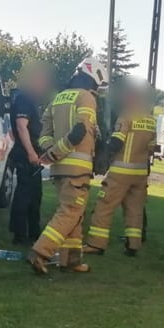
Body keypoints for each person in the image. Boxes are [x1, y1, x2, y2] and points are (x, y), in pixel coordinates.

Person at [28, 57, 107, 275]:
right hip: (77, 167)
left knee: (76, 213)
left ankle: (71, 260)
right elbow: (80, 131)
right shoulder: (86, 97)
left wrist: (53, 152)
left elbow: (43, 136)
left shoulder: (58, 98)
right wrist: (60, 150)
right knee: (70, 212)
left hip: (60, 168)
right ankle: (40, 252)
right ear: (94, 79)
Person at [84, 78, 155, 257]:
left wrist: (104, 153)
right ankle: (133, 245)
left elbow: (117, 141)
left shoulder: (126, 116)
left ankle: (96, 244)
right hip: (140, 173)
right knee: (135, 210)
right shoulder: (151, 120)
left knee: (104, 206)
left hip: (121, 172)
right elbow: (152, 147)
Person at [8, 62, 52, 245]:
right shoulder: (24, 100)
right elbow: (21, 127)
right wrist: (31, 153)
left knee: (35, 195)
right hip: (27, 155)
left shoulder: (31, 100)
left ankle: (33, 231)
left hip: (32, 155)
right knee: (24, 195)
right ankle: (20, 235)